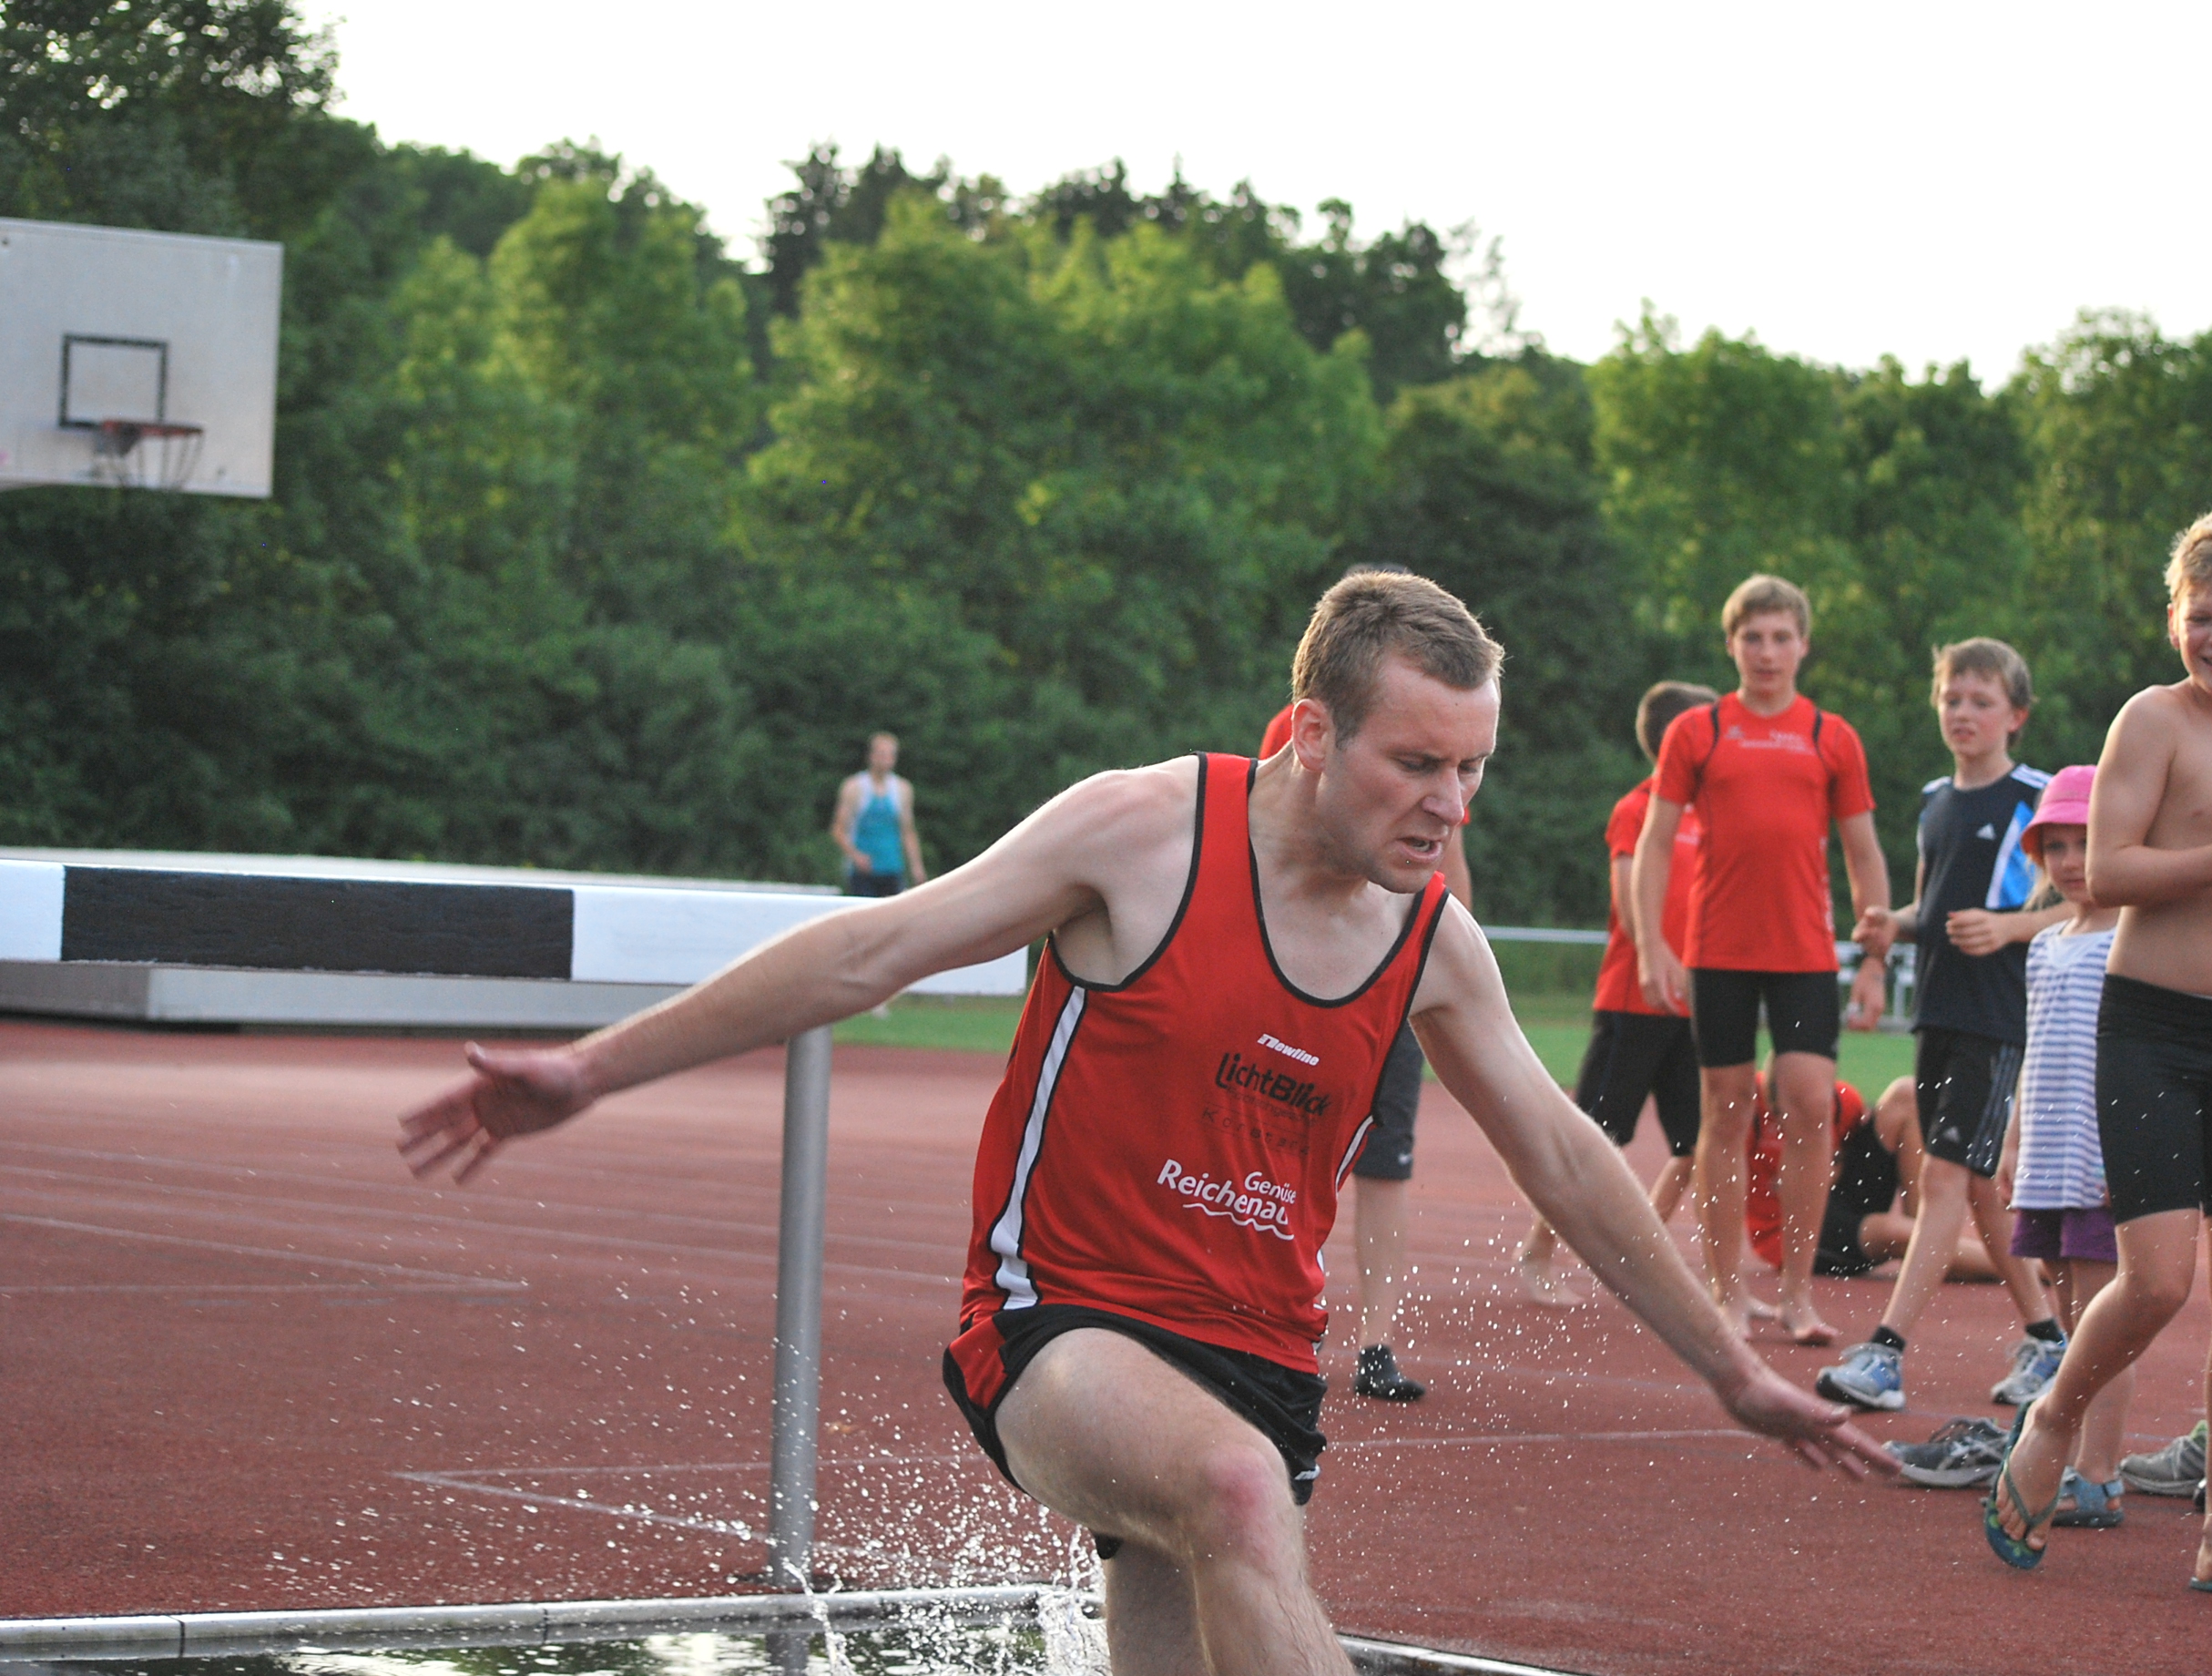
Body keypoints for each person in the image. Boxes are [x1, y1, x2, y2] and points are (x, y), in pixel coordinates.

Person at [402, 571, 1892, 1674]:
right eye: (1417, 762)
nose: (1452, 804)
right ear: (1312, 734)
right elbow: (873, 950)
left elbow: (1563, 1155)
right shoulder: (1140, 833)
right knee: (1235, 1494)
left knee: (1226, 1517)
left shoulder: (1432, 938)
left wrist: (1732, 1372)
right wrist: (588, 1072)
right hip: (1061, 1319)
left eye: (1473, 767)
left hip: (1259, 1361)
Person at [1985, 506, 2212, 1605]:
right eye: (2203, 616)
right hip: (2147, 1027)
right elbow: (2108, 871)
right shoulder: (2150, 720)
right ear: (2174, 620)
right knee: (2156, 1280)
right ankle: (2054, 1418)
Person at [1635, 574, 1891, 1345]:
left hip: (1804, 953)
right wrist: (1653, 945)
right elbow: (1655, 844)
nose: (1768, 652)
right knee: (1725, 1112)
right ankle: (1728, 1293)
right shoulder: (1700, 731)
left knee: (1810, 1106)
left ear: (1804, 645)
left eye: (1781, 637)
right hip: (1719, 952)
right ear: (1732, 644)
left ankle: (1797, 1296)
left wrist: (1874, 960)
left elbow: (1863, 854)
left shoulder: (1831, 737)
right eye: (1753, 637)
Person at [1821, 640, 2064, 1413]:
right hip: (1938, 1012)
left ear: (2016, 716)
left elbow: (2095, 899)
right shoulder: (1935, 800)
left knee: (1944, 1178)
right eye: (1952, 699)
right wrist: (1893, 925)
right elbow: (1930, 910)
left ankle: (1887, 1353)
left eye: (1981, 702)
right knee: (1979, 1183)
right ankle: (2049, 1338)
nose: (1963, 713)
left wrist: (2009, 928)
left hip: (1997, 1019)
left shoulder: (2039, 797)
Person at [1256, 669, 1467, 1402]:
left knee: (1387, 1161)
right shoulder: (1306, 731)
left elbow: (1448, 860)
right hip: (1307, 975)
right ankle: (1273, 1318)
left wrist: (1452, 966)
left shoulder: (1438, 742)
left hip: (1393, 977)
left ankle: (1377, 1343)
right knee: (1278, 1150)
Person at [1518, 680, 1716, 1305]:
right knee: (1595, 1138)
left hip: (1695, 1009)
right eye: (1707, 729)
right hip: (1636, 1001)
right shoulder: (1639, 808)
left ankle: (1643, 1259)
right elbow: (1631, 901)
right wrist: (1664, 961)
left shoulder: (1711, 815)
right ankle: (1537, 1251)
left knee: (1701, 1145)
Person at [1998, 766, 2134, 1528]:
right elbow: (2035, 1051)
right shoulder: (2045, 945)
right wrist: (2015, 1140)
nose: (2071, 861)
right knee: (2069, 1313)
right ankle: (2068, 1455)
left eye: (2086, 842)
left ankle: (2099, 1471)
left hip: (2099, 1154)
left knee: (2101, 1324)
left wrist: (2129, 1151)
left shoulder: (2133, 938)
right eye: (2055, 846)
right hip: (2050, 1154)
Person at [1746, 1077, 1997, 1283]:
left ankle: (1926, 1236)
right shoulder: (1750, 1105)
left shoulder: (1843, 1100)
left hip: (1836, 1200)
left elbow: (1848, 1165)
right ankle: (2016, 1266)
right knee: (1891, 1231)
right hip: (1788, 1230)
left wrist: (1828, 1171)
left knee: (1906, 1094)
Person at [830, 732, 928, 897]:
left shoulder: (903, 789)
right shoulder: (854, 787)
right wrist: (856, 856)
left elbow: (907, 832)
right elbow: (838, 830)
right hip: (862, 871)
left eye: (890, 755)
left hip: (892, 868)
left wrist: (917, 867)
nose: (886, 760)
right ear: (871, 756)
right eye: (882, 754)